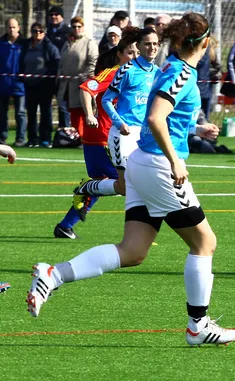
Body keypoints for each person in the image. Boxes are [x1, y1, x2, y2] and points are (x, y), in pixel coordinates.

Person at [27, 12, 235, 347]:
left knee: (133, 251)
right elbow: (155, 117)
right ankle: (197, 326)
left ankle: (53, 275)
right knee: (204, 243)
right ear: (205, 42)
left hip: (140, 161)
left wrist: (197, 129)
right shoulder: (181, 72)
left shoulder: (169, 68)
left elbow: (162, 116)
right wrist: (174, 161)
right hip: (157, 165)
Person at [61, 31, 140, 236]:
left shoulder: (138, 75)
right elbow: (86, 88)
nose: (135, 56)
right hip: (103, 136)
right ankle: (140, 234)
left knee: (104, 182)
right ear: (120, 55)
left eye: (137, 52)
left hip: (114, 137)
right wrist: (89, 114)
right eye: (130, 53)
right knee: (127, 184)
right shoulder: (114, 72)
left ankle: (66, 226)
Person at [99, 27, 158, 201]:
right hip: (124, 133)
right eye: (147, 44)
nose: (152, 47)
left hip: (146, 134)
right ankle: (89, 187)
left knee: (146, 183)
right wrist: (119, 123)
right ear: (139, 46)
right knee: (124, 188)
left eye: (155, 44)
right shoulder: (127, 70)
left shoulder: (159, 73)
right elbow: (106, 100)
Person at [56, 17, 99, 141]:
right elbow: (62, 62)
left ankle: (86, 138)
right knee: (73, 112)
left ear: (83, 27)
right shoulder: (68, 43)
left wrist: (84, 76)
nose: (76, 29)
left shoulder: (89, 42)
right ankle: (76, 138)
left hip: (82, 84)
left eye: (79, 26)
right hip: (67, 85)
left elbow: (93, 61)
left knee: (84, 111)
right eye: (74, 26)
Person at [19, 22, 60, 148]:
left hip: (44, 85)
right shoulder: (25, 45)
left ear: (44, 33)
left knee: (45, 112)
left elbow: (55, 64)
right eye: (35, 31)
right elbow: (21, 62)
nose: (37, 33)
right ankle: (32, 139)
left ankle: (45, 139)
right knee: (30, 113)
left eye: (40, 31)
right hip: (29, 84)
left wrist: (49, 79)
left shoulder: (49, 47)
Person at [0, 18, 27, 147]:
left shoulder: (25, 43)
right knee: (2, 113)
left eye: (14, 27)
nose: (11, 29)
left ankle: (20, 139)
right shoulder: (1, 43)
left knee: (20, 112)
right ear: (6, 28)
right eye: (9, 27)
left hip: (19, 84)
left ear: (18, 28)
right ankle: (2, 138)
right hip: (3, 83)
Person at [46, 6, 71, 129]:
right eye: (51, 14)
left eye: (56, 14)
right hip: (48, 74)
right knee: (46, 105)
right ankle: (46, 136)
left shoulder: (68, 31)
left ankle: (65, 133)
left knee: (63, 105)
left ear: (61, 16)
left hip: (63, 73)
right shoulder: (46, 31)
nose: (54, 17)